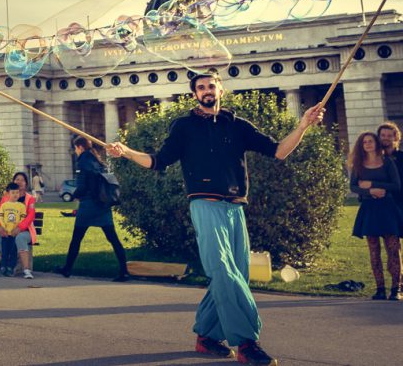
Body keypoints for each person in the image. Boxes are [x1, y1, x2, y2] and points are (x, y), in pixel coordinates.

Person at [108, 71, 324, 366]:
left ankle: (207, 335)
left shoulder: (237, 125)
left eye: (211, 85)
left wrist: (303, 125)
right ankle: (248, 342)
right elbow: (158, 161)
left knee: (238, 273)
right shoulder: (184, 126)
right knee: (223, 270)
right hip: (204, 204)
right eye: (201, 87)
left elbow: (278, 151)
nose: (207, 90)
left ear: (220, 89)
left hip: (235, 207)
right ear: (195, 94)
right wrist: (127, 152)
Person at [56, 137, 129, 282]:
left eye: (76, 148)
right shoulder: (97, 160)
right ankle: (124, 271)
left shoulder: (83, 161)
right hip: (102, 205)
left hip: (89, 205)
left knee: (76, 238)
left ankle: (67, 268)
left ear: (80, 147)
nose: (76, 151)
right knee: (113, 238)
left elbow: (83, 186)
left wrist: (75, 195)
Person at [349, 131, 403, 300]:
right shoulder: (359, 164)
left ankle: (396, 289)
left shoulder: (387, 162)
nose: (368, 144)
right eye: (365, 142)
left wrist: (374, 185)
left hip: (387, 209)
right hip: (369, 209)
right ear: (361, 145)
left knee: (393, 249)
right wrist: (369, 191)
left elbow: (396, 185)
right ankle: (380, 288)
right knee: (374, 251)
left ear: (376, 143)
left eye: (371, 141)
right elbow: (354, 187)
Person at [0, 171, 37, 279]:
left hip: (25, 231)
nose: (19, 182)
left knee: (20, 238)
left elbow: (31, 216)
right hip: (6, 229)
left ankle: (26, 269)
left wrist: (20, 228)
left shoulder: (30, 198)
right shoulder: (6, 198)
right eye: (17, 179)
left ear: (26, 184)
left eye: (22, 180)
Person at [0, 183, 25, 277]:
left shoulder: (21, 206)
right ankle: (3, 266)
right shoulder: (4, 206)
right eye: (13, 192)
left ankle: (10, 268)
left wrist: (16, 228)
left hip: (14, 233)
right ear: (8, 194)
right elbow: (1, 218)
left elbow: (22, 218)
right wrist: (3, 227)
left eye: (17, 192)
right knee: (4, 251)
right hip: (5, 233)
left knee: (13, 251)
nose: (15, 194)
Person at [378, 122, 403, 213]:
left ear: (395, 137)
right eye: (383, 135)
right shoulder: (374, 158)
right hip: (380, 202)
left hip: (400, 202)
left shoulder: (401, 157)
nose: (386, 138)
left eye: (389, 136)